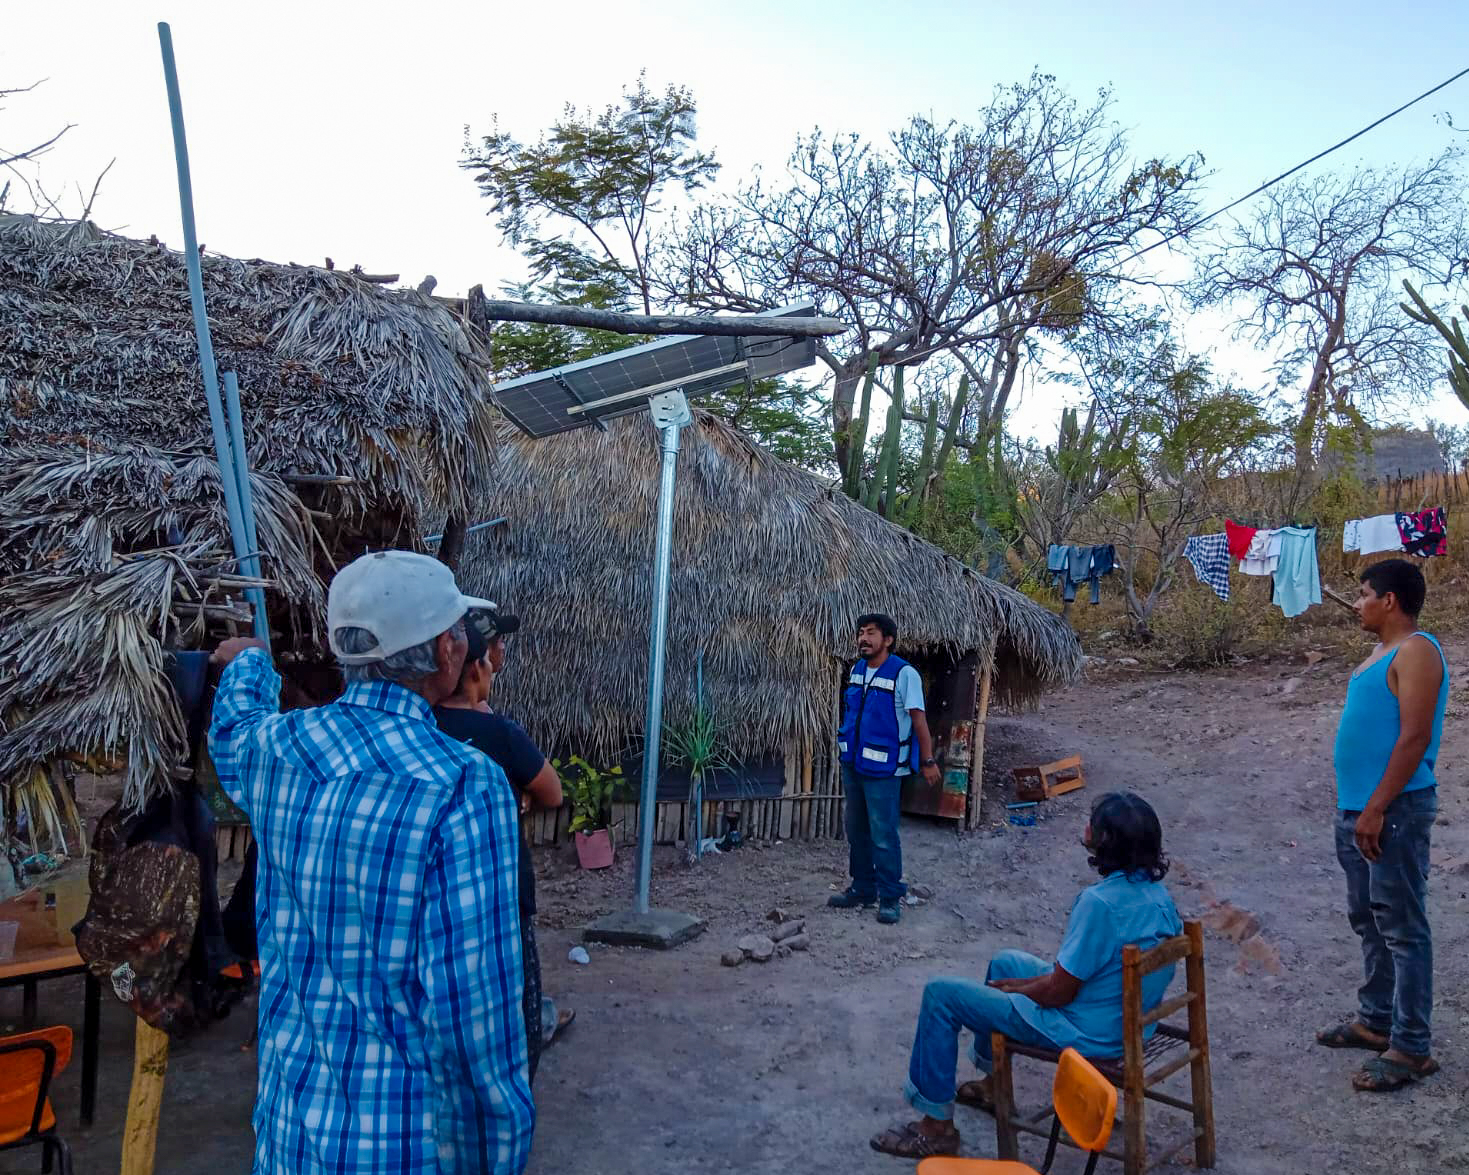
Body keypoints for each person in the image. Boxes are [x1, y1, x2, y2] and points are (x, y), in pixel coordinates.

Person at [209, 550, 533, 1175]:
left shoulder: (275, 751)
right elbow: (473, 1028)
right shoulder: (464, 785)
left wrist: (248, 663)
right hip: (401, 1149)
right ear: (446, 651)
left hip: (288, 1136)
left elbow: (234, 728)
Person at [870, 793, 1182, 1160]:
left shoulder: (1100, 904)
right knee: (1005, 962)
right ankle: (992, 1085)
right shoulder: (1158, 896)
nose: (1086, 829)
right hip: (1123, 1023)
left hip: (1087, 1033)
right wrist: (1021, 986)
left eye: (1092, 825)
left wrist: (1021, 992)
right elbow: (1077, 977)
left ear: (1106, 842)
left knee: (941, 996)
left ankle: (936, 1129)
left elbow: (1059, 992)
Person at [1316, 558, 1447, 1092]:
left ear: (1390, 600)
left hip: (1392, 811)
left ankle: (1411, 1047)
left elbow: (1414, 738)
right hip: (1359, 809)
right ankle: (1376, 1022)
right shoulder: (1379, 653)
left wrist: (1376, 809)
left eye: (1365, 593)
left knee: (1403, 928)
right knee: (1369, 919)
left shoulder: (1418, 650)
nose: (1358, 602)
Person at [434, 607, 568, 1081]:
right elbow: (552, 791)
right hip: (503, 891)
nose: (502, 652)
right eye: (494, 649)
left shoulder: (422, 724)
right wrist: (519, 790)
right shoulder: (501, 734)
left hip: (439, 895)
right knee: (514, 999)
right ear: (477, 667)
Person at [829, 613, 941, 924]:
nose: (863, 639)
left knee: (883, 835)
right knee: (856, 830)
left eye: (871, 633)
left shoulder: (905, 674)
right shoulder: (857, 670)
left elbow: (919, 721)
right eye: (861, 632)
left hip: (886, 770)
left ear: (888, 640)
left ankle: (890, 896)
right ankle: (863, 888)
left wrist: (927, 760)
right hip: (854, 764)